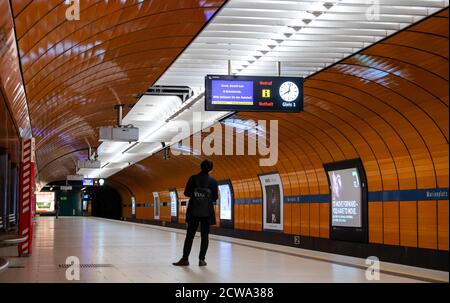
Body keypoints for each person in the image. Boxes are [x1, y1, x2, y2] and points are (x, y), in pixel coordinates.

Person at [173, 159, 218, 267]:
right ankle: (201, 260)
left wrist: (196, 194)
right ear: (211, 169)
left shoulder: (193, 178)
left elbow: (187, 193)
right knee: (205, 236)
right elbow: (215, 197)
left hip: (194, 211)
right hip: (207, 212)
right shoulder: (213, 181)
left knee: (190, 236)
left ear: (200, 167)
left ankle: (185, 259)